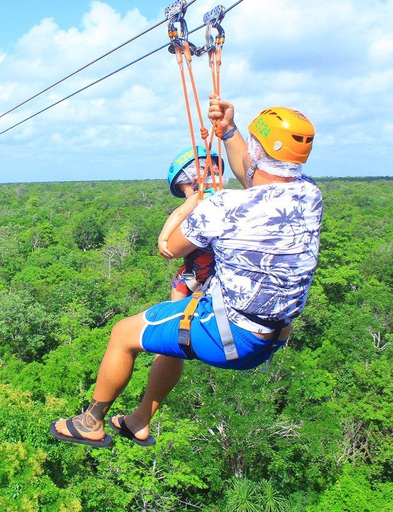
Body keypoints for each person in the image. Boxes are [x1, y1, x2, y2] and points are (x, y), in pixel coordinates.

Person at [50, 98, 323, 447]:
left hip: (230, 334)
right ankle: (139, 421)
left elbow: (174, 248)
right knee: (169, 341)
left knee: (122, 334)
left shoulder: (223, 206)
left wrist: (195, 202)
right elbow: (256, 176)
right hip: (271, 339)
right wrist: (229, 131)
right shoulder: (309, 195)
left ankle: (90, 422)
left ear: (255, 152)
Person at [159, 146, 226, 301]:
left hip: (203, 265)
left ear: (194, 181)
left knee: (180, 283)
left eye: (184, 190)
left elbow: (179, 213)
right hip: (221, 267)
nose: (185, 195)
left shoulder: (198, 197)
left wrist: (163, 239)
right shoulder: (223, 196)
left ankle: (175, 313)